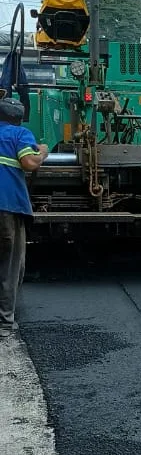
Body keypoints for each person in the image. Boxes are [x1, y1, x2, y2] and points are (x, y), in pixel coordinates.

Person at [0, 97, 47, 335]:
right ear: (20, 118)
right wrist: (43, 152)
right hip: (7, 205)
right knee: (10, 264)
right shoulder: (19, 134)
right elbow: (29, 162)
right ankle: (5, 322)